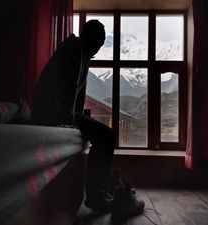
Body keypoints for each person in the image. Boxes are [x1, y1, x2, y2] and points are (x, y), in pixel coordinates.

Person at [31, 20, 144, 220]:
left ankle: (103, 187)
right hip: (52, 112)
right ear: (91, 39)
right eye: (98, 44)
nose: (98, 50)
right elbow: (70, 88)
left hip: (57, 110)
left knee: (104, 135)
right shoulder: (75, 48)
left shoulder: (81, 52)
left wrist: (78, 116)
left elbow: (77, 92)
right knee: (107, 136)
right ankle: (96, 195)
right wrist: (71, 118)